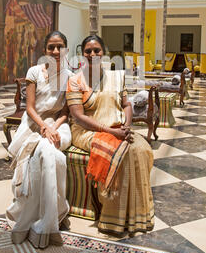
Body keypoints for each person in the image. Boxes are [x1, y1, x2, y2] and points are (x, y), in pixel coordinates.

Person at [66, 35, 154, 236]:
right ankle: (115, 217)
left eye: (97, 50)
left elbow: (126, 105)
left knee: (141, 149)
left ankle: (137, 213)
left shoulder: (115, 77)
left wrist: (127, 126)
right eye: (88, 51)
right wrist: (111, 132)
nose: (93, 54)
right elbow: (78, 116)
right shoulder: (74, 81)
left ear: (103, 53)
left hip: (117, 127)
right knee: (121, 153)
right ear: (82, 54)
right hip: (86, 131)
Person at [6, 30, 72, 249]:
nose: (55, 51)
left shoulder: (70, 76)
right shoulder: (34, 71)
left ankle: (45, 220)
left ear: (66, 49)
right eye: (51, 47)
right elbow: (31, 107)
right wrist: (44, 127)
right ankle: (52, 217)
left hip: (58, 126)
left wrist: (54, 126)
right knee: (51, 156)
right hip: (34, 124)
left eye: (59, 46)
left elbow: (66, 110)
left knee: (49, 151)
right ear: (44, 50)